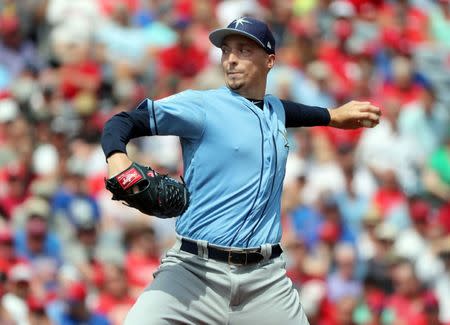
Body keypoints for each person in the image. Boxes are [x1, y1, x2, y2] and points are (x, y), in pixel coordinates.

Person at [101, 17, 381, 325]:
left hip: (265, 281)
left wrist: (331, 115)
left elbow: (288, 111)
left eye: (244, 50)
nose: (231, 59)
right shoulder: (201, 106)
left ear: (270, 60)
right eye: (226, 51)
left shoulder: (275, 110)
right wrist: (117, 159)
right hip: (194, 271)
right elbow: (123, 121)